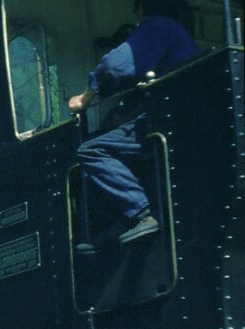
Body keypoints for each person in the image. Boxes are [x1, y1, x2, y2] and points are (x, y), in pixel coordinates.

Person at [69, 0, 197, 253]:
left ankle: (140, 214)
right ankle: (117, 225)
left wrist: (84, 98)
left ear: (142, 10)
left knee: (91, 150)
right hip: (184, 117)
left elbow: (114, 67)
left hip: (165, 117)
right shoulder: (177, 33)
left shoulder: (157, 25)